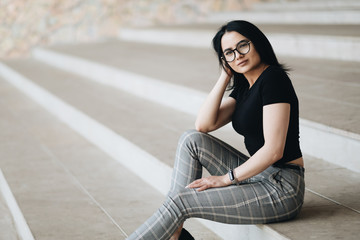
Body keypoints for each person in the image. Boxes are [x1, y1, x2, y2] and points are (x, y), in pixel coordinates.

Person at [127, 20, 305, 240]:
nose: (238, 55)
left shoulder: (273, 79)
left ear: (257, 43)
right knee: (191, 139)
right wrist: (225, 76)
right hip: (262, 176)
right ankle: (175, 236)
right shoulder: (245, 87)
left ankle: (172, 235)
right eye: (229, 53)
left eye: (243, 46)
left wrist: (226, 179)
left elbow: (274, 151)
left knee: (181, 200)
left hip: (283, 189)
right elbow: (203, 125)